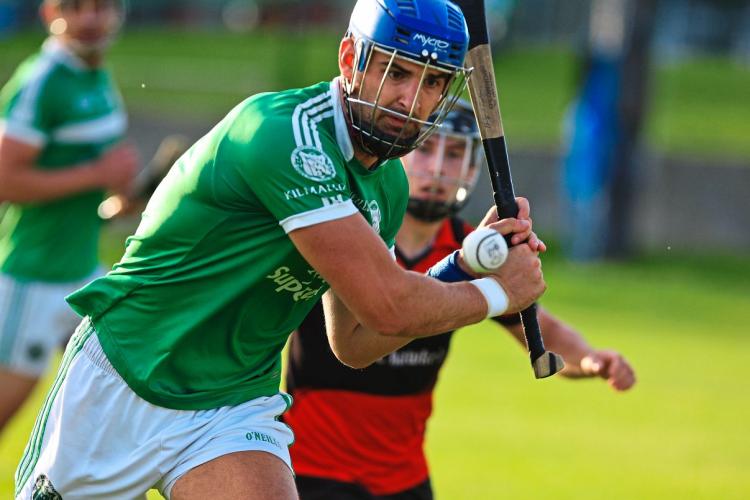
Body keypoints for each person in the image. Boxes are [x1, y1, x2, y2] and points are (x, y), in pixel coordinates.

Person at [15, 0, 546, 498]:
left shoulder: (387, 184)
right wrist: (499, 294)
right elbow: (389, 305)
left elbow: (357, 341)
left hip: (230, 407)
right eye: (396, 72)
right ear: (350, 59)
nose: (412, 101)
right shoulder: (285, 136)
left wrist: (466, 265)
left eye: (432, 82)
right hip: (129, 376)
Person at [285, 100, 637, 500]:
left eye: (453, 154)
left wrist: (588, 359)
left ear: (471, 169)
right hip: (311, 470)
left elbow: (542, 332)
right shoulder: (344, 228)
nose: (437, 169)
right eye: (426, 149)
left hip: (403, 479)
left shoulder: (478, 248)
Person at [0, 0, 137, 434]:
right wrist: (98, 174)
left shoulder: (97, 74)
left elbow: (93, 183)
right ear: (50, 13)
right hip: (32, 280)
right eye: (75, 7)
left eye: (101, 6)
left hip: (84, 274)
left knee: (114, 414)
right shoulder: (41, 80)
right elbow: (4, 179)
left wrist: (120, 197)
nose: (90, 18)